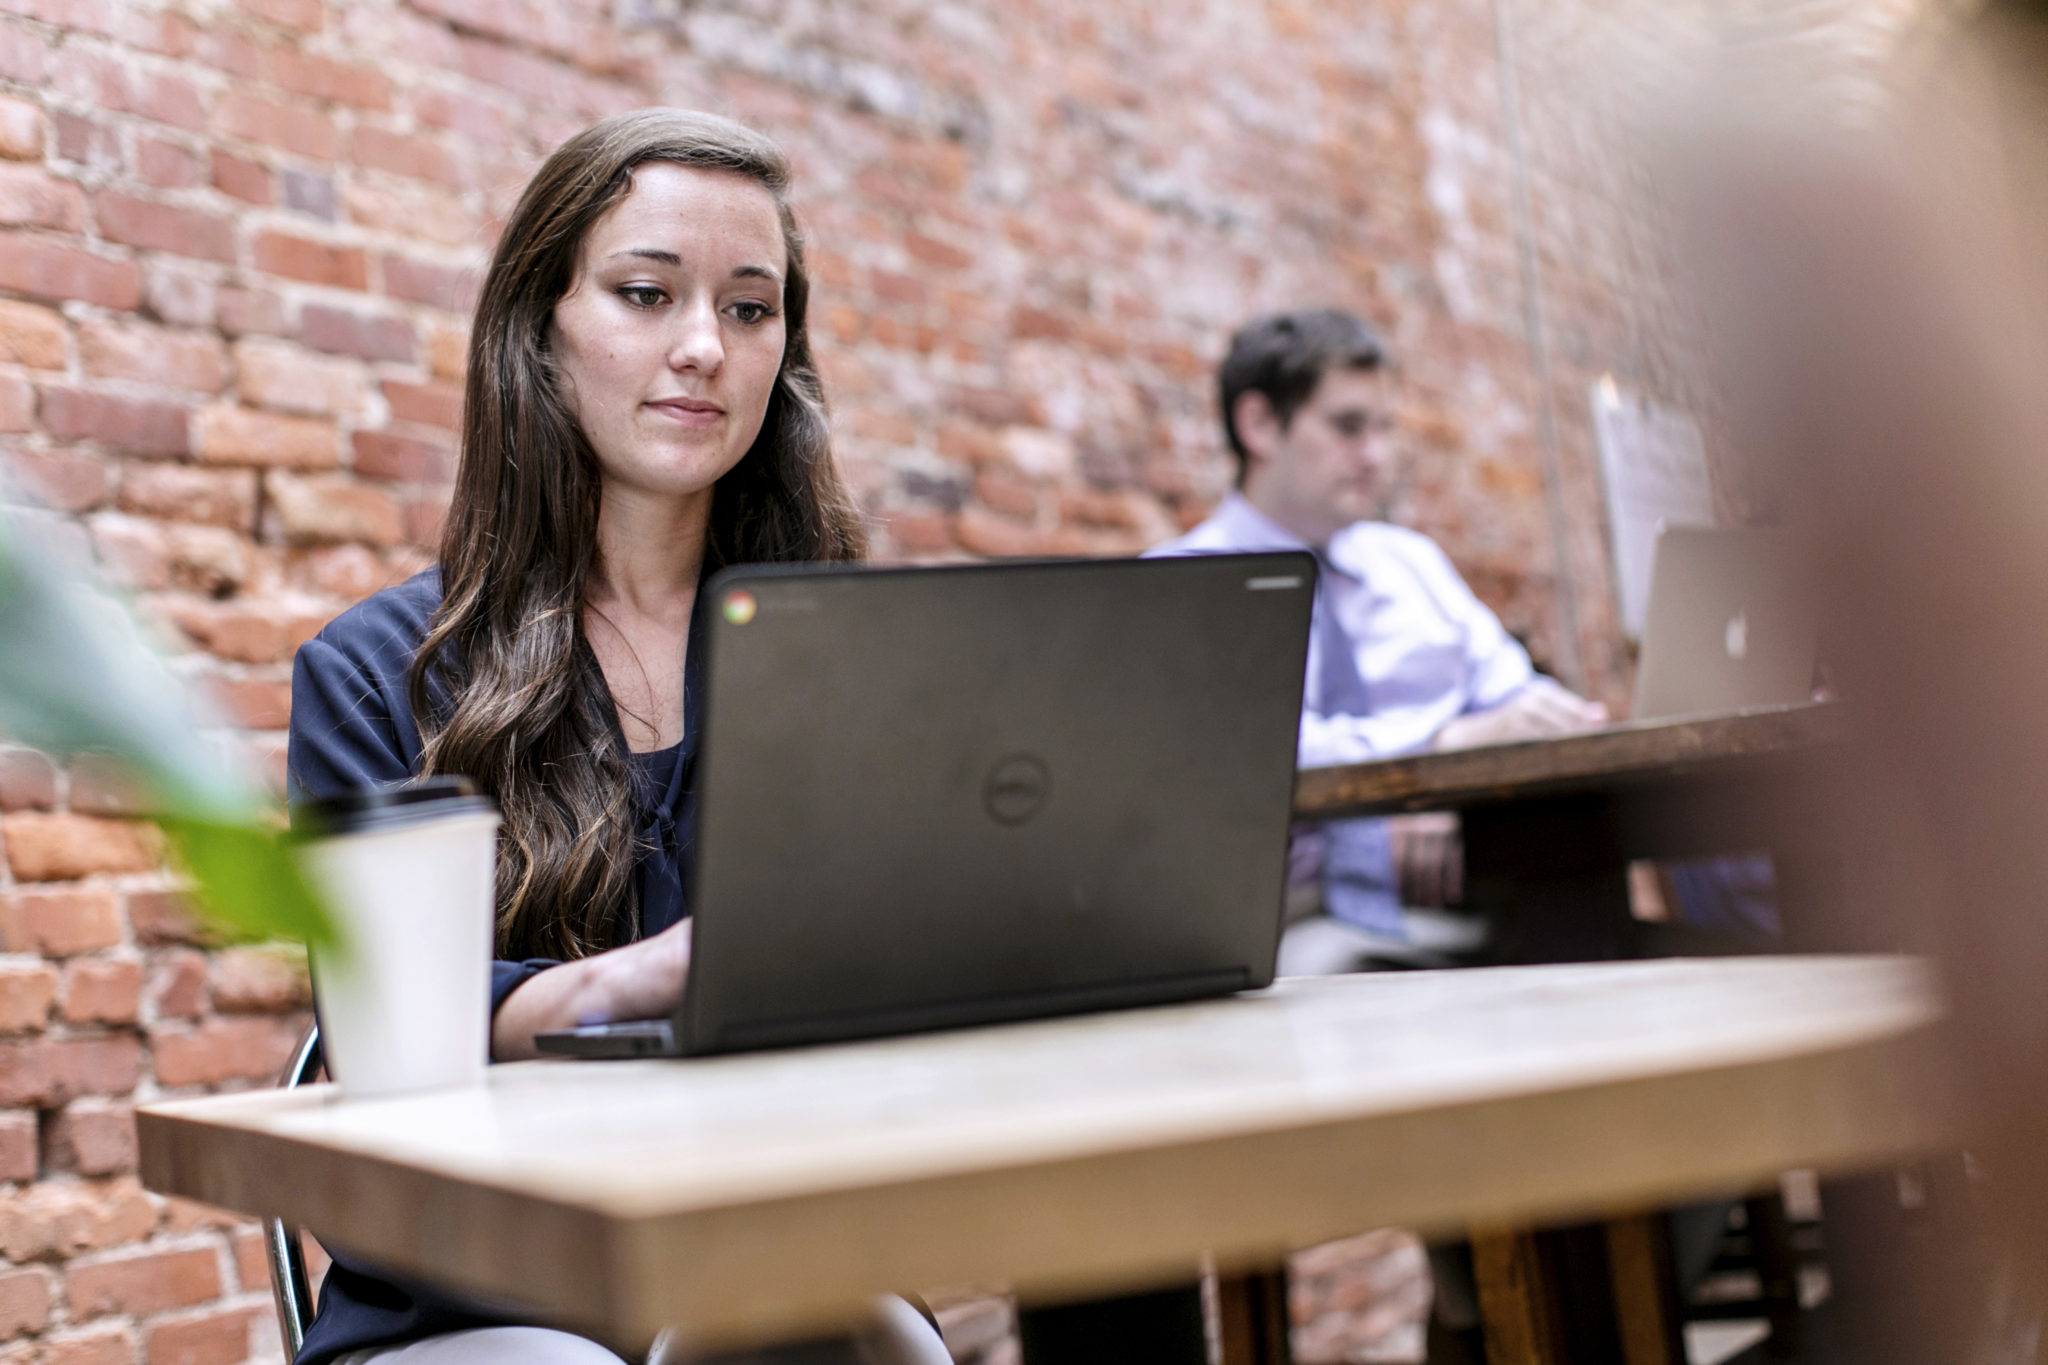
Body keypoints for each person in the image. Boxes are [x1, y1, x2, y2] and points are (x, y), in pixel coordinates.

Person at [286, 109, 951, 1365]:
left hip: (766, 1258)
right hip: (478, 1300)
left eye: (750, 311)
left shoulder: (855, 665)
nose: (702, 346)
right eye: (647, 293)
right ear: (539, 328)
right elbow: (378, 1036)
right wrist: (614, 988)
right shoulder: (375, 673)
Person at [1151, 309, 1609, 974]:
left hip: (1468, 883)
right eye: (1347, 426)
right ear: (1258, 425)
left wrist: (1454, 792)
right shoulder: (1183, 587)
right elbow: (1249, 758)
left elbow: (1520, 701)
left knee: (1599, 924)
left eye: (1384, 428)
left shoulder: (1411, 564)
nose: (1376, 456)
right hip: (1292, 916)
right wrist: (1438, 750)